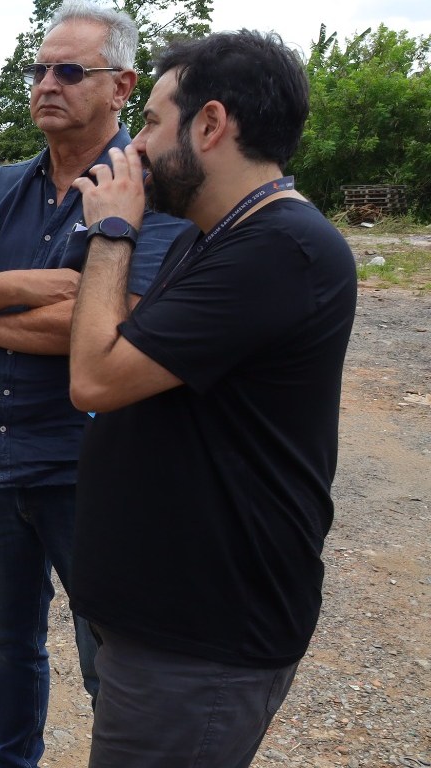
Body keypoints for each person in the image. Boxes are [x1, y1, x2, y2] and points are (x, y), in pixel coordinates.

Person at [0, 3, 190, 765]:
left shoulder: (150, 190)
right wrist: (33, 284)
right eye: (38, 70)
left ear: (122, 85)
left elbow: (118, 325)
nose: (46, 84)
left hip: (93, 469)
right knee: (4, 643)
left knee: (111, 656)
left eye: (69, 70)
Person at [67, 30, 355, 767]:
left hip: (201, 641)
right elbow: (130, 355)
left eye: (152, 123)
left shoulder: (279, 250)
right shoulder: (218, 237)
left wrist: (111, 231)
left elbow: (96, 377)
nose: (135, 146)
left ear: (211, 124)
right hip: (165, 626)